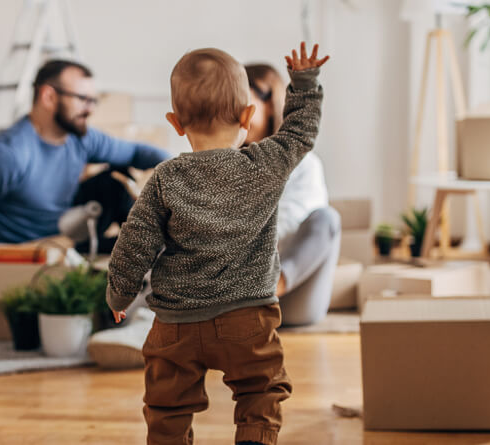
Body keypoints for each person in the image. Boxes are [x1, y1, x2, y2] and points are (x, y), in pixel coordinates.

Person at [106, 43, 327, 445]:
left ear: (175, 122)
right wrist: (304, 82)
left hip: (175, 326)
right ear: (248, 115)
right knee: (260, 392)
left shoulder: (164, 178)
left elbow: (133, 242)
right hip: (247, 319)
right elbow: (300, 132)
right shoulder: (266, 163)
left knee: (167, 408)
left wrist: (119, 295)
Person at [0, 60, 170, 328]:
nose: (89, 109)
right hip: (24, 260)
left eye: (93, 100)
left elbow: (137, 152)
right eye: (82, 99)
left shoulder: (80, 138)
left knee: (115, 186)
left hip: (64, 243)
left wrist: (180, 171)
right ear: (48, 96)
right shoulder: (8, 155)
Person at [244, 63, 341, 326]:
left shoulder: (304, 164)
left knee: (326, 219)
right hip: (237, 291)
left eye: (244, 103)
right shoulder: (227, 164)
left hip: (292, 293)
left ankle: (265, 292)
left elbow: (289, 223)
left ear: (268, 104)